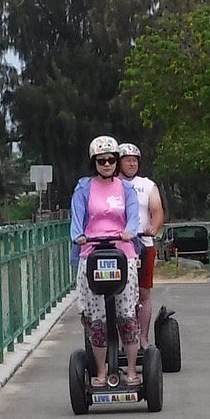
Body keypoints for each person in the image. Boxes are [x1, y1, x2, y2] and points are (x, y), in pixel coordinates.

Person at [69, 135, 142, 387]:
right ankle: (101, 371)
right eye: (102, 161)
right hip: (92, 253)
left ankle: (131, 370)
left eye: (112, 160)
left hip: (122, 253)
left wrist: (130, 231)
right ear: (94, 163)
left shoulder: (126, 189)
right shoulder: (83, 189)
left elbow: (133, 216)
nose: (108, 164)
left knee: (125, 313)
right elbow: (76, 220)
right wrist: (78, 236)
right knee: (97, 318)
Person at [118, 142, 164, 338]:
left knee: (143, 293)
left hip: (144, 244)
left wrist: (154, 226)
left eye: (135, 160)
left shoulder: (147, 185)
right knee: (117, 294)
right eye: (127, 160)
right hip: (118, 246)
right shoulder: (112, 185)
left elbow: (157, 210)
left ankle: (143, 338)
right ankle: (118, 340)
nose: (131, 164)